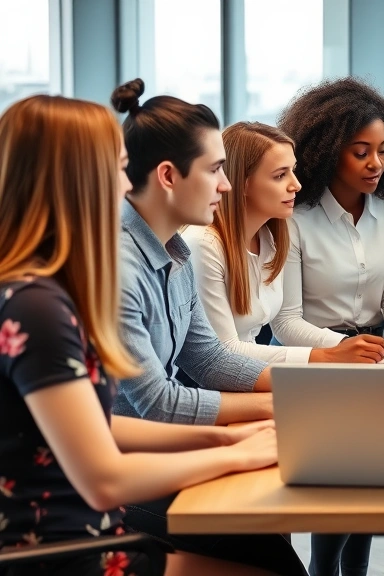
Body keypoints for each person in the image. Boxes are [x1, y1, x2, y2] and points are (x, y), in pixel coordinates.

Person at [0, 94, 283, 576]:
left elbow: (100, 424)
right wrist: (236, 452)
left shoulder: (40, 291)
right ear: (77, 180)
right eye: (118, 167)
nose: (126, 183)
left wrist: (225, 442)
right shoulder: (36, 308)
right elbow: (105, 481)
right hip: (62, 551)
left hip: (79, 532)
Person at [110, 79, 308, 576]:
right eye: (216, 169)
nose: (226, 184)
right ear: (168, 176)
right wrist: (285, 405)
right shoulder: (120, 267)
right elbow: (157, 402)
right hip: (123, 469)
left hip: (159, 451)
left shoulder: (173, 250)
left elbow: (209, 359)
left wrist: (310, 392)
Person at [277, 77, 384, 575]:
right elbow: (286, 322)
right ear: (328, 151)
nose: (376, 163)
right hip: (312, 359)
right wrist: (344, 350)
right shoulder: (294, 215)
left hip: (377, 353)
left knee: (369, 479)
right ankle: (322, 568)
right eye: (361, 152)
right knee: (345, 480)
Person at [183, 121, 384, 364]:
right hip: (208, 386)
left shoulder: (271, 239)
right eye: (280, 175)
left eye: (293, 170)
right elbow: (224, 351)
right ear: (243, 183)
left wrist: (340, 349)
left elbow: (270, 329)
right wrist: (324, 355)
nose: (296, 185)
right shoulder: (203, 245)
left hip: (251, 374)